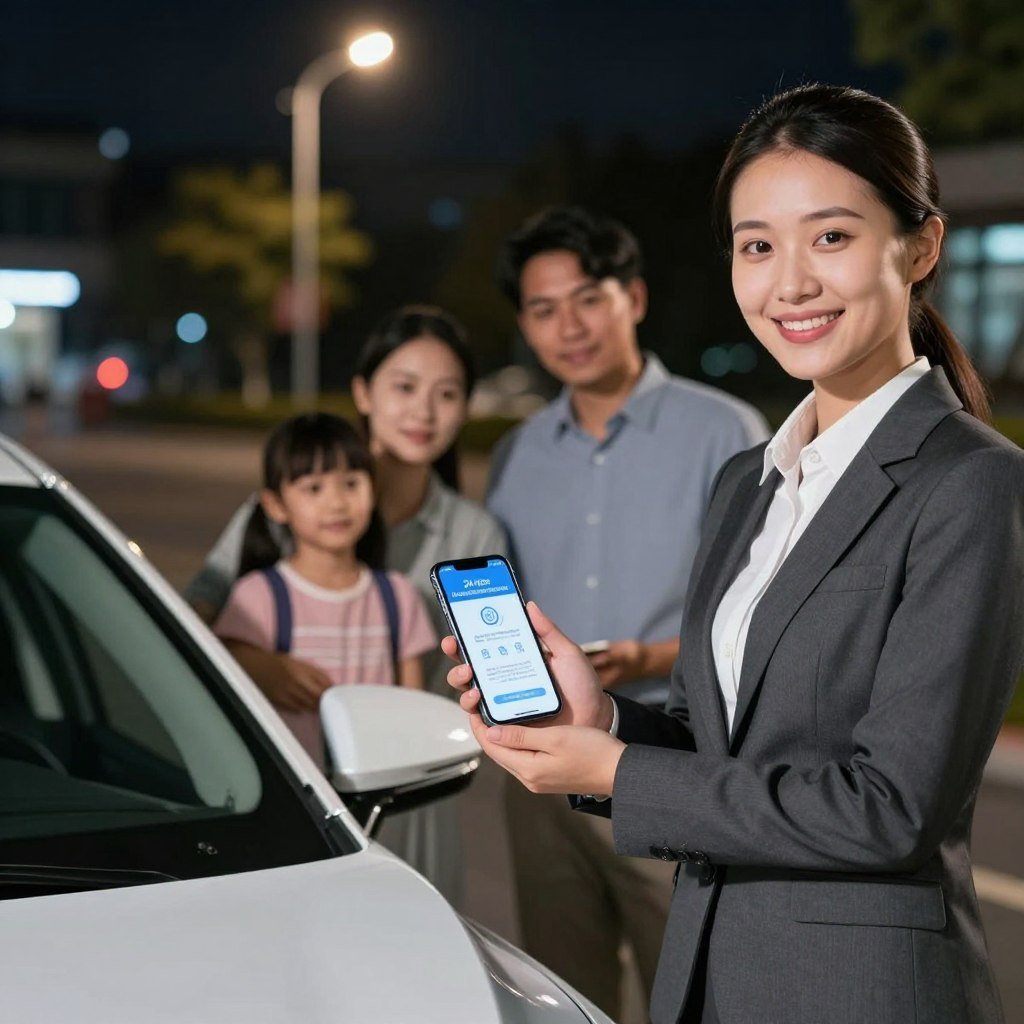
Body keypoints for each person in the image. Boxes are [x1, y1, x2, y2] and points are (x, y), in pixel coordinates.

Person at [447, 85, 1024, 1024]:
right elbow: (716, 744)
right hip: (712, 980)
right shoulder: (748, 479)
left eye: (830, 237)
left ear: (919, 248)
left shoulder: (970, 482)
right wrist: (612, 723)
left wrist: (612, 773)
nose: (788, 282)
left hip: (860, 997)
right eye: (757, 245)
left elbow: (890, 808)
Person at [486, 205, 769, 1020]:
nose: (567, 327)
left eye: (587, 299)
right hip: (541, 764)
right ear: (525, 326)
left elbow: (766, 608)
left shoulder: (726, 433)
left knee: (685, 990)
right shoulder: (516, 454)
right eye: (543, 309)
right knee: (557, 992)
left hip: (671, 760)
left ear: (633, 298)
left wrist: (648, 660)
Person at [189, 306, 507, 904]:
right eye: (404, 387)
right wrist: (251, 663)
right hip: (288, 789)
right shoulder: (289, 504)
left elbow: (492, 680)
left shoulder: (474, 536)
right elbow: (191, 617)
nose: (424, 411)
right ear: (363, 392)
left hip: (413, 801)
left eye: (448, 393)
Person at [214, 412, 435, 766]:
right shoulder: (258, 596)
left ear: (373, 489)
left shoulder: (398, 596)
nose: (337, 503)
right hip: (296, 795)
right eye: (314, 488)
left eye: (351, 483)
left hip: (377, 793)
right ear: (275, 505)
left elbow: (412, 709)